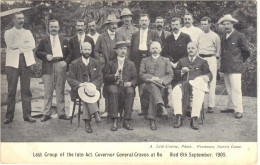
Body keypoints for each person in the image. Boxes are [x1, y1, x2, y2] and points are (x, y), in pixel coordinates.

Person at [36, 19, 72, 122]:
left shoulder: (64, 40)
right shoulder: (44, 40)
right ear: (49, 28)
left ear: (58, 28)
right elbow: (37, 52)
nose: (54, 29)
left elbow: (70, 53)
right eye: (52, 27)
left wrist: (66, 62)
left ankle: (61, 113)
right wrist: (45, 55)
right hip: (48, 66)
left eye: (55, 27)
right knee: (48, 91)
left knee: (60, 90)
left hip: (60, 65)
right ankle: (47, 113)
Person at [4, 12, 36, 124]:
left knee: (26, 90)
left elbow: (32, 45)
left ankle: (27, 115)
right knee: (11, 90)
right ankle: (9, 116)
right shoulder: (8, 32)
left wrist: (19, 47)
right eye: (18, 18)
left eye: (22, 18)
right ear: (13, 20)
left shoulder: (27, 32)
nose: (21, 20)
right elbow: (11, 45)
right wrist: (24, 46)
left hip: (25, 62)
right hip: (12, 63)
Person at [172, 42, 212, 130]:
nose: (190, 50)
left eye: (193, 48)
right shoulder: (182, 61)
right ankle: (178, 116)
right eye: (189, 48)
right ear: (187, 50)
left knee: (199, 92)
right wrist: (182, 71)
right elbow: (175, 73)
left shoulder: (202, 61)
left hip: (197, 84)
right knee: (176, 91)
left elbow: (209, 74)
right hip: (184, 83)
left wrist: (206, 76)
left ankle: (194, 118)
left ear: (197, 50)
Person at [217, 14, 250, 119]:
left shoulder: (239, 36)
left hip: (236, 67)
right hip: (226, 66)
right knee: (229, 88)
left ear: (232, 24)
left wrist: (239, 61)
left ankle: (239, 110)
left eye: (228, 24)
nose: (226, 26)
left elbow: (247, 51)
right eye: (224, 24)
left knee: (236, 89)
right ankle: (231, 106)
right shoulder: (223, 37)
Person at [129, 14, 161, 117]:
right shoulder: (135, 34)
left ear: (148, 22)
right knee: (140, 83)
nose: (143, 22)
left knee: (149, 82)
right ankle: (143, 108)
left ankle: (154, 108)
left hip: (149, 58)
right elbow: (131, 49)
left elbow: (159, 47)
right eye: (142, 20)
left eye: (145, 20)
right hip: (137, 60)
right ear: (139, 22)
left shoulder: (154, 33)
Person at [67, 42, 103, 133]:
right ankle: (95, 113)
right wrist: (80, 84)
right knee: (84, 94)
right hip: (79, 89)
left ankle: (87, 122)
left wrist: (92, 85)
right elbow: (70, 79)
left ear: (91, 50)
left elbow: (100, 77)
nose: (87, 51)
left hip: (93, 90)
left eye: (89, 49)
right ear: (81, 50)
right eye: (85, 49)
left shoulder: (96, 62)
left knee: (88, 92)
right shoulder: (74, 63)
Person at [104, 41, 138, 131]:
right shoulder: (110, 63)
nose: (123, 51)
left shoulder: (131, 64)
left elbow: (135, 78)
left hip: (125, 86)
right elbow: (106, 77)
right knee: (113, 90)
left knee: (130, 91)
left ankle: (126, 120)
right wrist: (114, 76)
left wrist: (130, 83)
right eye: (121, 49)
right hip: (113, 85)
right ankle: (115, 119)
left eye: (125, 49)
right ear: (116, 51)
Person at [139, 41, 173, 130]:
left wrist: (161, 81)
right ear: (150, 50)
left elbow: (170, 75)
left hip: (161, 86)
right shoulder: (144, 60)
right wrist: (153, 78)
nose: (155, 50)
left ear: (160, 49)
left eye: (157, 48)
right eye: (153, 48)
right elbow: (141, 74)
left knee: (153, 91)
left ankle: (152, 119)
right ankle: (162, 107)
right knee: (152, 85)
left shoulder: (166, 60)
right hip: (148, 85)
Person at [94, 14, 121, 118]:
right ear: (108, 25)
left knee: (117, 86)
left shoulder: (119, 35)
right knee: (106, 87)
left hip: (117, 65)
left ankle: (117, 110)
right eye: (112, 24)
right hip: (105, 66)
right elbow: (96, 51)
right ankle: (106, 110)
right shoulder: (101, 37)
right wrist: (101, 60)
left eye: (116, 24)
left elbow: (124, 49)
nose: (114, 26)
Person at [197, 16, 221, 113]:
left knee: (212, 82)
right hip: (201, 59)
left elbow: (218, 51)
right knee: (201, 80)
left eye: (205, 24)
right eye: (202, 24)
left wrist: (217, 62)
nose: (203, 26)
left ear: (209, 24)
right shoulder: (200, 35)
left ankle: (211, 105)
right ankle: (200, 104)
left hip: (211, 58)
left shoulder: (215, 36)